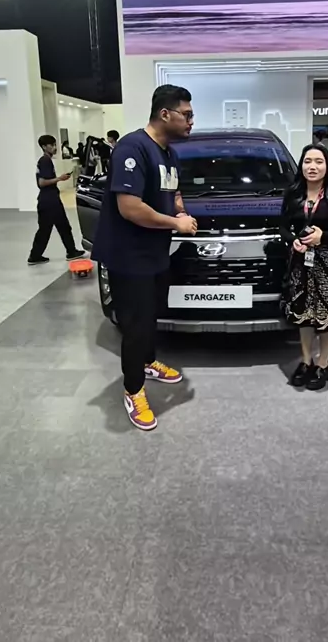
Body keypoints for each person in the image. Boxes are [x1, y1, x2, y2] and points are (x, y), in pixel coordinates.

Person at [91, 85, 198, 431]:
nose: (191, 121)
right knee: (135, 326)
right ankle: (133, 389)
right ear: (165, 114)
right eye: (187, 114)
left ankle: (148, 362)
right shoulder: (132, 147)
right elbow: (130, 207)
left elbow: (173, 190)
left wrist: (180, 207)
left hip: (154, 253)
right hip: (128, 256)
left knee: (150, 317)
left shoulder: (169, 153)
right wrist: (176, 223)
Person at [280, 144, 328, 390]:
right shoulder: (293, 194)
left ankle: (323, 363)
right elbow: (282, 227)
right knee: (304, 317)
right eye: (308, 161)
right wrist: (293, 241)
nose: (312, 167)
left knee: (326, 318)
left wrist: (324, 237)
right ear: (301, 165)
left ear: (327, 166)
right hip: (300, 263)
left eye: (319, 162)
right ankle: (305, 361)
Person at [28, 135, 85, 266]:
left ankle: (69, 251)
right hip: (49, 200)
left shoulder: (45, 160)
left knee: (58, 227)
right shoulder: (45, 161)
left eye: (55, 145)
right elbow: (42, 182)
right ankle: (37, 255)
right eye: (51, 145)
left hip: (49, 199)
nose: (54, 148)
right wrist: (60, 178)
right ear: (44, 147)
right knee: (51, 228)